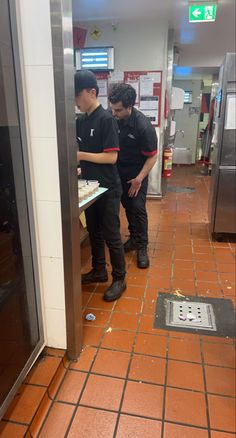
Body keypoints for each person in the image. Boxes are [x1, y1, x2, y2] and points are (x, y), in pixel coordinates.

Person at [75, 70, 126, 302]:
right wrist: (80, 167)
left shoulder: (106, 119)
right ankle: (98, 271)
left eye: (78, 96)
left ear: (92, 92)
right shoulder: (81, 120)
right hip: (90, 186)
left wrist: (80, 156)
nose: (76, 101)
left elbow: (111, 157)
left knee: (111, 234)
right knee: (94, 231)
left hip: (108, 188)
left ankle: (119, 278)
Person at [108, 83, 158, 269]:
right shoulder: (112, 116)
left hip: (138, 173)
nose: (114, 113)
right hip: (119, 171)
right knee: (127, 206)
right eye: (112, 108)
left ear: (130, 107)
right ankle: (133, 239)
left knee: (137, 207)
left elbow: (153, 156)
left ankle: (142, 246)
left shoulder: (143, 126)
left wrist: (139, 179)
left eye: (118, 110)